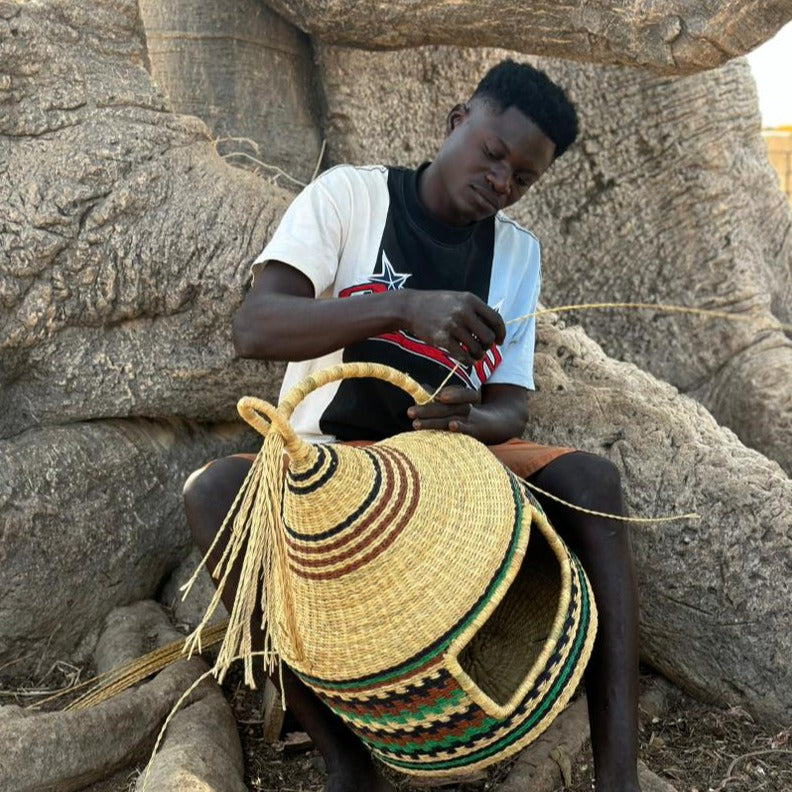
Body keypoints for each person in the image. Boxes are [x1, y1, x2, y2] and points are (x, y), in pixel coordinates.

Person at [184, 59, 641, 792]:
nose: (501, 181)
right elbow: (255, 325)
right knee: (212, 496)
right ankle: (344, 761)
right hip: (329, 460)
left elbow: (511, 406)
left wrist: (471, 420)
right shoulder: (350, 197)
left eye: (522, 178)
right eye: (494, 153)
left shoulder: (515, 254)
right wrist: (403, 307)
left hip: (448, 468)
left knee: (593, 481)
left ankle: (620, 772)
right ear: (457, 119)